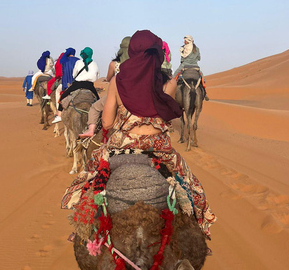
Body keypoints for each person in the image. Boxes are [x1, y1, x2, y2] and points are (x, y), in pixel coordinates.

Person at [62, 30, 216, 240]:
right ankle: (199, 231)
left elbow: (106, 122)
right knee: (190, 185)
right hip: (158, 147)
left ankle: (82, 230)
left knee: (90, 178)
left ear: (132, 52)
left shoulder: (118, 81)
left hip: (122, 145)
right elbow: (167, 118)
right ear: (157, 54)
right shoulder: (169, 83)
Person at [52, 47, 99, 124]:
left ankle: (59, 115)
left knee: (63, 95)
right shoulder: (94, 63)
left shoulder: (79, 62)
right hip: (90, 86)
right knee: (98, 100)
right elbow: (96, 75)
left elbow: (74, 75)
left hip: (78, 84)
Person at [173, 35, 209, 101]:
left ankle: (171, 90)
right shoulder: (196, 48)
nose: (184, 41)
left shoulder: (183, 48)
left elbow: (182, 59)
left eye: (185, 40)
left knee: (174, 76)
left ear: (187, 41)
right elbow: (199, 58)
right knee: (201, 77)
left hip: (184, 65)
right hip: (195, 65)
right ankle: (205, 93)